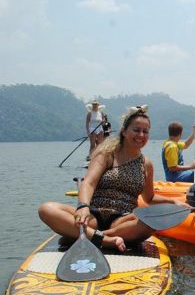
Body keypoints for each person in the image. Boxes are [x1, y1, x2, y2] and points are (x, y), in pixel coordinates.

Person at [39, 105, 186, 252]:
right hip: (93, 217)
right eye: (136, 130)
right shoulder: (106, 154)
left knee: (150, 222)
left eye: (145, 131)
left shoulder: (146, 164)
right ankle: (103, 240)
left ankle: (84, 235)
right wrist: (83, 206)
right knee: (46, 209)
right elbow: (89, 182)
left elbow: (149, 197)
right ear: (124, 131)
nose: (141, 135)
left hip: (122, 221)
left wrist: (173, 201)